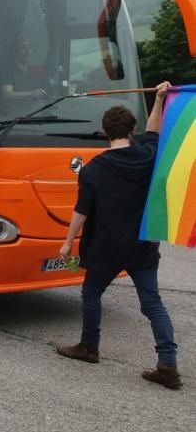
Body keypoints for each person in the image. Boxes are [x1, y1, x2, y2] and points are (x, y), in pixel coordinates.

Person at [55, 81, 180, 389]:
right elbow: (154, 131)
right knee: (152, 304)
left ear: (104, 131)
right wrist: (160, 99)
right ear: (131, 129)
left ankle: (89, 347)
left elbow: (81, 211)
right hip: (142, 245)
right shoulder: (147, 156)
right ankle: (167, 363)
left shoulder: (94, 169)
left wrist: (68, 242)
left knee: (92, 294)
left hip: (105, 248)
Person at [0, 36, 47, 112]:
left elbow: (37, 92)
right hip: (13, 117)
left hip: (32, 114)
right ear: (15, 50)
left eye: (29, 47)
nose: (28, 51)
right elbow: (7, 95)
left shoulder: (32, 72)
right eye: (23, 47)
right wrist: (31, 94)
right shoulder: (8, 71)